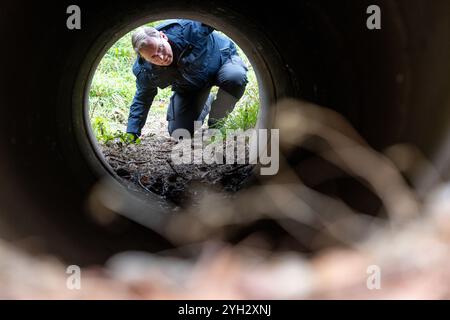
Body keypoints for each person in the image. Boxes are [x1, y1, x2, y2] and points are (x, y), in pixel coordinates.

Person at [126, 19, 248, 140]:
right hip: (193, 86)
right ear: (145, 58)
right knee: (179, 133)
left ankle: (216, 123)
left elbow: (217, 17)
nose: (162, 57)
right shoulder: (145, 70)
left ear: (163, 36)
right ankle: (205, 102)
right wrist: (132, 132)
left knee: (235, 77)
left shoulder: (189, 29)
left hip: (223, 60)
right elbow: (142, 98)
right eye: (153, 57)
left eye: (161, 48)